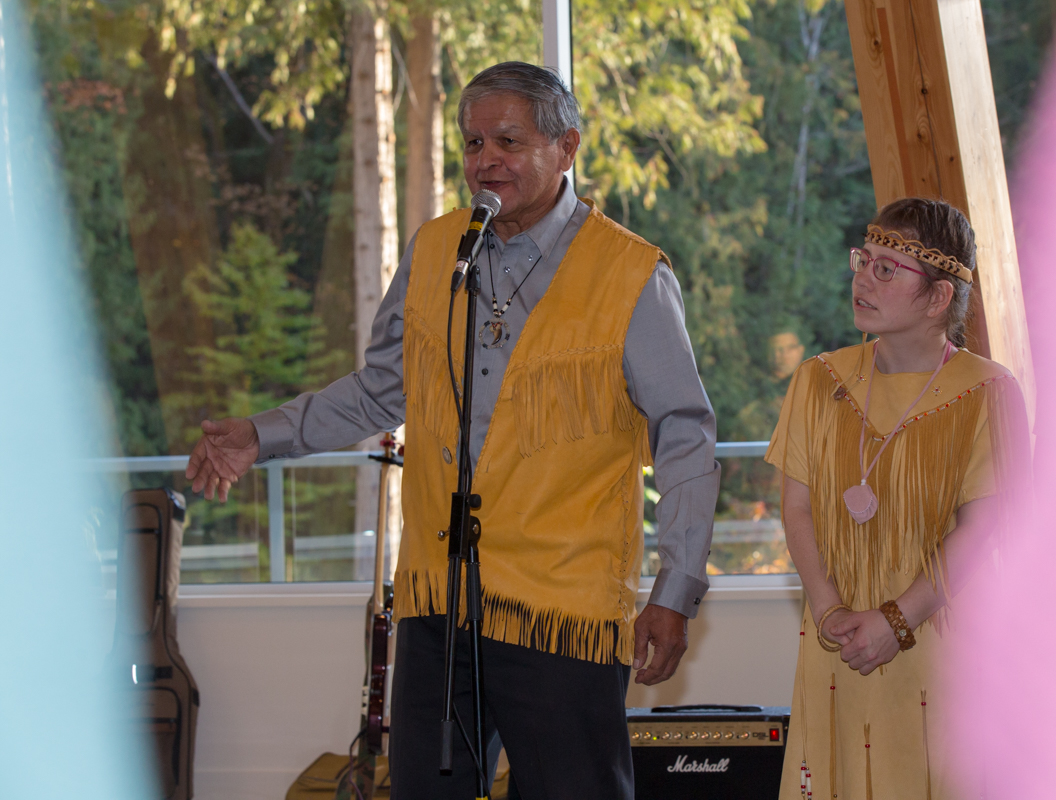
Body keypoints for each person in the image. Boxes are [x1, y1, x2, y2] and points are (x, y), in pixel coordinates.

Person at [184, 62, 720, 799]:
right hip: (440, 602)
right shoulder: (438, 249)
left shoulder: (632, 272)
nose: (485, 159)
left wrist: (676, 587)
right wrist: (261, 434)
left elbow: (685, 436)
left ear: (566, 147)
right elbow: (382, 389)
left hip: (560, 611)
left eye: (508, 141)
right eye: (472, 143)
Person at [766, 198, 1029, 799]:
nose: (863, 278)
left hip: (940, 643)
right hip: (838, 644)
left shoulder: (988, 391)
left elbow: (981, 528)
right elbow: (797, 508)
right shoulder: (819, 380)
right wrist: (830, 612)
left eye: (886, 269)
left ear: (938, 298)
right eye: (863, 260)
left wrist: (895, 621)